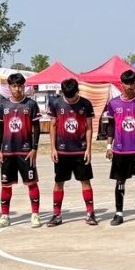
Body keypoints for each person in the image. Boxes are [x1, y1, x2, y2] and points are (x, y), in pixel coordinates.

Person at [102, 69, 135, 225]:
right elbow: (110, 127)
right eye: (127, 83)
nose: (131, 86)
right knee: (120, 182)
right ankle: (118, 214)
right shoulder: (113, 103)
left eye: (133, 83)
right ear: (122, 84)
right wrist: (108, 146)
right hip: (120, 150)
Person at [0, 72, 42, 229]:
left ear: (24, 87)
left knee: (32, 183)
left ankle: (35, 215)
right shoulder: (3, 105)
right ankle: (4, 217)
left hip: (26, 151)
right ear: (9, 87)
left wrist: (34, 148)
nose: (17, 89)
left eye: (20, 86)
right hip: (8, 152)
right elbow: (0, 129)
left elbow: (37, 128)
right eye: (14, 86)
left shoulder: (31, 104)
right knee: (6, 185)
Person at [47, 78, 97, 226]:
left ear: (77, 91)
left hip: (80, 151)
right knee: (59, 182)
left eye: (73, 96)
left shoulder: (86, 104)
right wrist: (53, 148)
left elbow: (89, 128)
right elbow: (53, 126)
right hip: (62, 151)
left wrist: (88, 149)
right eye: (67, 97)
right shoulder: (56, 103)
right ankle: (56, 215)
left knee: (85, 181)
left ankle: (90, 213)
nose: (70, 100)